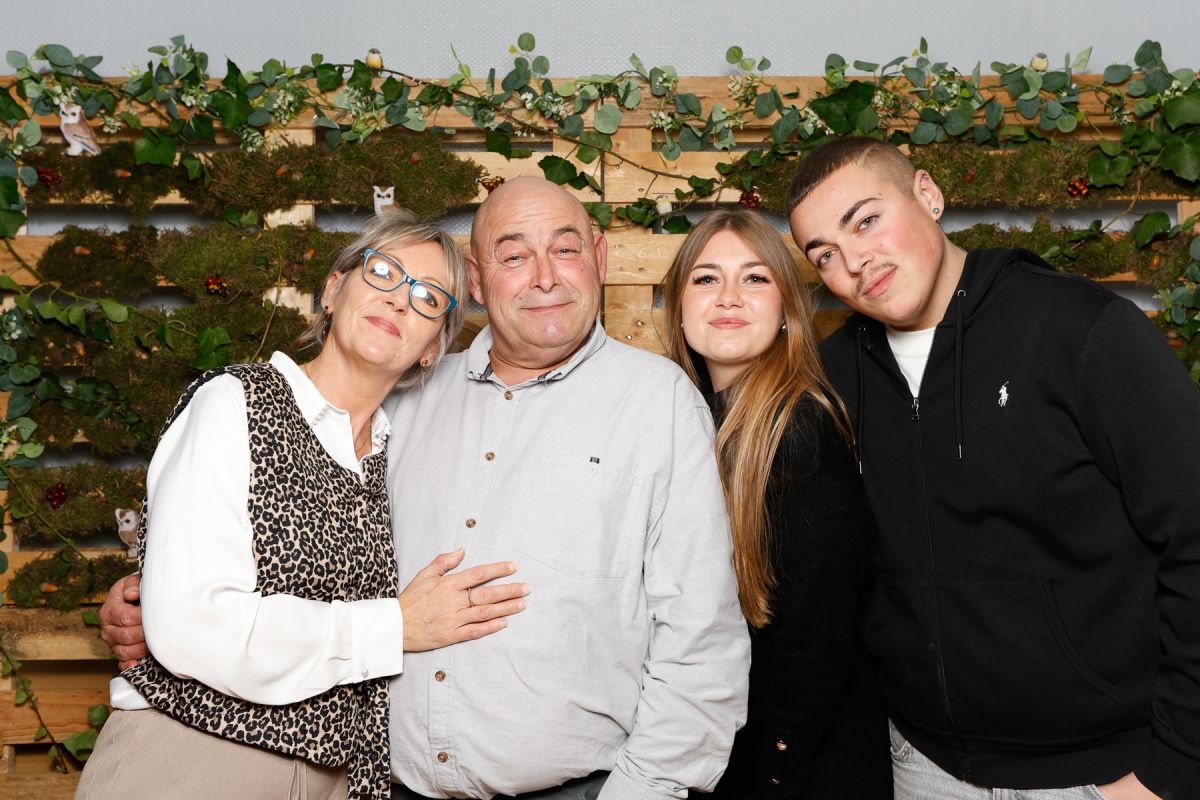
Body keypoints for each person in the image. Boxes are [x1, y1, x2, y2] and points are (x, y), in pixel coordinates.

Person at [100, 177, 752, 800]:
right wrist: (160, 597)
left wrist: (642, 792)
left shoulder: (658, 402)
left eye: (565, 249)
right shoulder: (398, 404)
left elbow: (701, 635)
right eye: (514, 255)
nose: (544, 277)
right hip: (381, 782)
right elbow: (293, 541)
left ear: (599, 258)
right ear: (478, 280)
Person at [786, 136, 1200, 800]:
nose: (855, 261)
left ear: (927, 194)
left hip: (1103, 772)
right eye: (825, 255)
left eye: (865, 221)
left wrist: (1174, 766)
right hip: (922, 765)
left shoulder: (1083, 331)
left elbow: (1194, 539)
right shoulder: (834, 377)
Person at [80, 211, 530, 800]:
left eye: (427, 298)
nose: (399, 299)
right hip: (200, 756)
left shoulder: (394, 455)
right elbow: (194, 624)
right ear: (333, 290)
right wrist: (396, 625)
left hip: (338, 776)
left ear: (432, 350)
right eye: (384, 272)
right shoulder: (236, 403)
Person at [660, 208, 890, 799]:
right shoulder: (693, 421)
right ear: (678, 306)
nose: (729, 297)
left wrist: (771, 778)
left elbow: (816, 645)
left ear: (787, 309)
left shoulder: (800, 430)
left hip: (796, 769)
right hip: (728, 754)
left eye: (755, 278)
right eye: (706, 278)